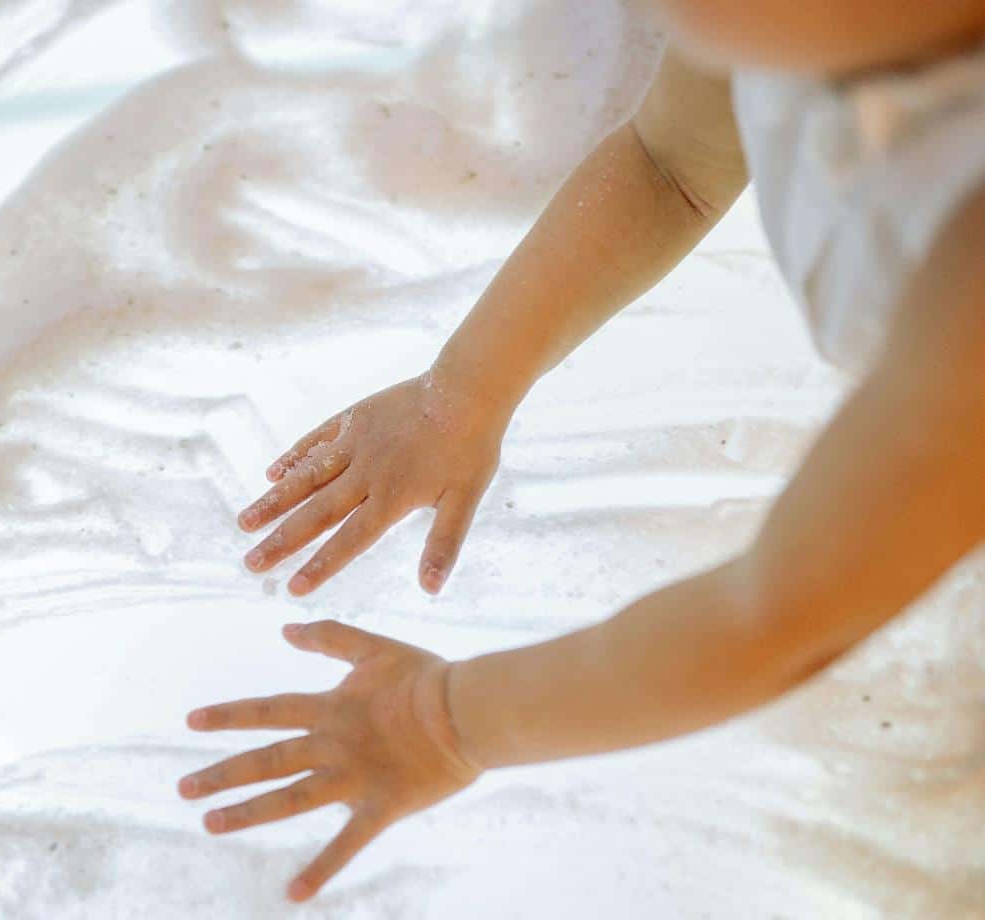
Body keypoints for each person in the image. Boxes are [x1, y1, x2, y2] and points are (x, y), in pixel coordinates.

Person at [178, 1, 985, 903]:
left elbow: (768, 621)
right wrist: (462, 393)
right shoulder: (789, 22)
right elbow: (669, 165)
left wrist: (439, 724)